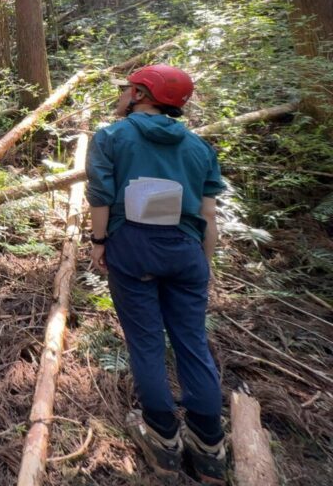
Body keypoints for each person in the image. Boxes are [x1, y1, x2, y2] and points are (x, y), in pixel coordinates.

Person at [86, 64, 227, 484]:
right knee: (192, 341)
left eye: (128, 88)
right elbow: (207, 215)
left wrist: (98, 243)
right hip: (186, 251)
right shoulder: (199, 146)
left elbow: (101, 197)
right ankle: (209, 445)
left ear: (140, 93)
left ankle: (163, 439)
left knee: (146, 341)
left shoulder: (111, 136)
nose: (122, 94)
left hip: (132, 248)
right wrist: (205, 264)